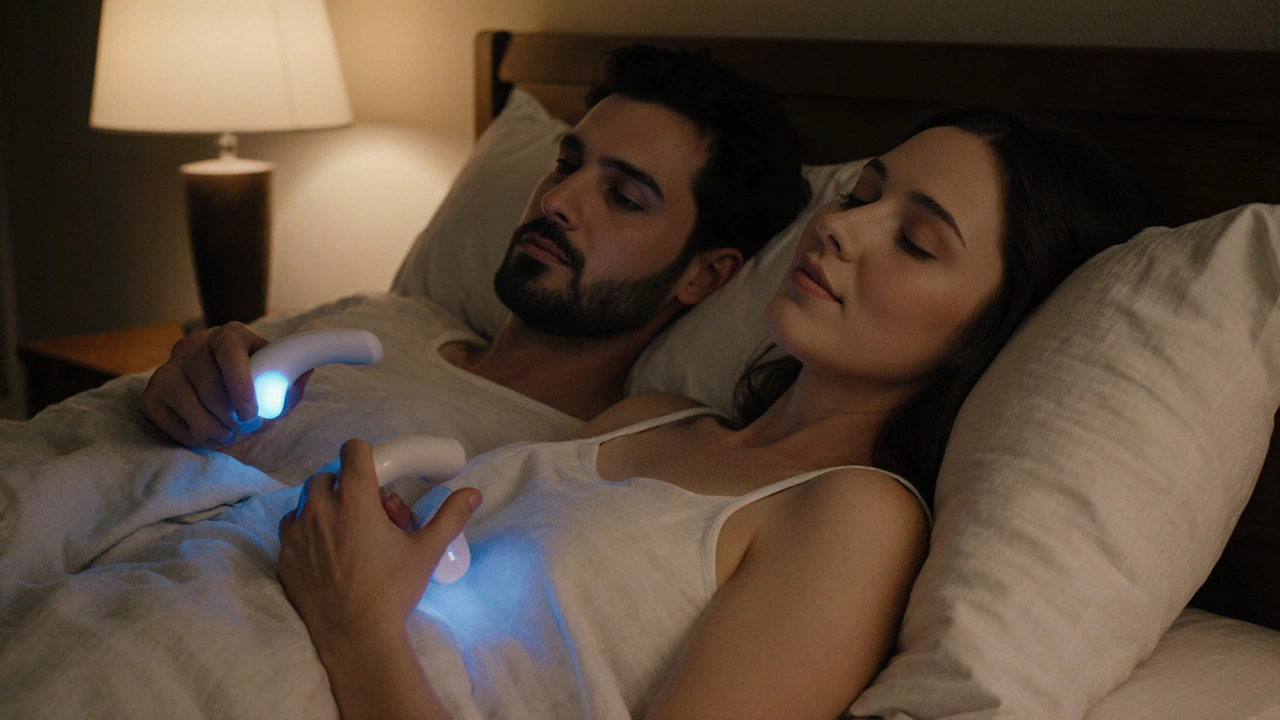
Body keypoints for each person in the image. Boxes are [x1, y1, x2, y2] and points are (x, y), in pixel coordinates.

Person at [275, 109, 1149, 718]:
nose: (841, 229)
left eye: (916, 241)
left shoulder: (852, 517)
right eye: (860, 194)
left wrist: (357, 632)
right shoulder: (653, 415)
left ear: (982, 336)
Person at [140, 44, 811, 456]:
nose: (555, 201)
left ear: (703, 275)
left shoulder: (575, 459)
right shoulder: (387, 316)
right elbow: (182, 393)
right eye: (566, 164)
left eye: (624, 199)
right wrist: (186, 382)